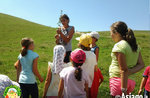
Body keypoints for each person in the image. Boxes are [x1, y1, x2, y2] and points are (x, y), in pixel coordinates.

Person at [109, 21, 145, 97]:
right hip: (131, 82)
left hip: (119, 82)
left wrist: (123, 90)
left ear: (116, 33)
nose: (110, 36)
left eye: (111, 33)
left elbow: (123, 70)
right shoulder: (135, 46)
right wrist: (131, 71)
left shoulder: (119, 46)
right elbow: (141, 64)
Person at [89, 31, 104, 98]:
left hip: (92, 66)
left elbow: (96, 59)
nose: (90, 38)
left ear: (95, 39)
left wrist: (94, 66)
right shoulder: (88, 45)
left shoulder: (96, 48)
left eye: (91, 37)